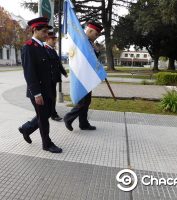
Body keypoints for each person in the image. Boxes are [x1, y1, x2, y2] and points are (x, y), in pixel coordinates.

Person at [18, 17, 62, 153]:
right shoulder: (29, 47)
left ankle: (27, 128)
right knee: (43, 118)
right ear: (35, 30)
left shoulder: (42, 47)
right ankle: (47, 144)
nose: (46, 35)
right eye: (43, 32)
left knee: (47, 113)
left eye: (47, 32)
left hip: (47, 89)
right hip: (38, 92)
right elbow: (29, 73)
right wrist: (36, 93)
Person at [63, 20, 103, 131]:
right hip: (81, 75)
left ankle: (83, 123)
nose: (96, 37)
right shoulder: (81, 41)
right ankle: (68, 118)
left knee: (87, 101)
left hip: (87, 75)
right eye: (96, 34)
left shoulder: (89, 42)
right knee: (83, 102)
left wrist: (96, 50)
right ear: (89, 30)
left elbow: (93, 58)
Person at [45, 32, 68, 121]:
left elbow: (58, 63)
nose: (55, 41)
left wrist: (64, 72)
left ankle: (51, 112)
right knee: (51, 97)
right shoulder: (45, 50)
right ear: (47, 40)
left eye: (55, 39)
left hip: (53, 78)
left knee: (52, 96)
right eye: (53, 39)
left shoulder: (53, 50)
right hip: (49, 78)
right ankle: (53, 114)